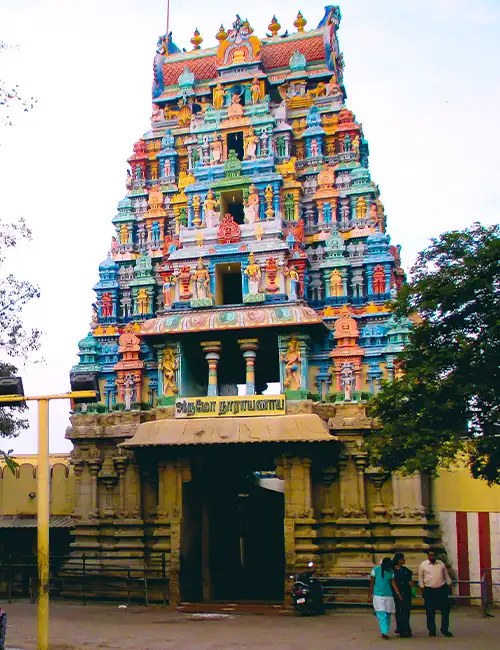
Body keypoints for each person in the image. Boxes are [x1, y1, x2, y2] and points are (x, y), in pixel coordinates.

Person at [418, 549, 453, 637]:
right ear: (428, 556)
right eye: (430, 556)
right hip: (429, 590)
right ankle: (432, 630)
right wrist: (422, 589)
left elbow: (446, 575)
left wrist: (449, 584)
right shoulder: (423, 565)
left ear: (436, 556)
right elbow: (420, 578)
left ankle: (445, 629)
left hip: (441, 589)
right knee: (430, 612)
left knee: (445, 611)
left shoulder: (441, 564)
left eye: (433, 556)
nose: (432, 557)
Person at [369, 557, 402, 640]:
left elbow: (393, 583)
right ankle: (384, 632)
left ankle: (385, 631)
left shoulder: (390, 572)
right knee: (381, 613)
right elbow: (372, 583)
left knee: (388, 614)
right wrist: (370, 594)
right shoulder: (375, 570)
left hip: (388, 595)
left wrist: (398, 594)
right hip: (378, 595)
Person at [392, 552, 413, 638]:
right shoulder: (392, 570)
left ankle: (406, 628)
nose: (404, 560)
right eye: (402, 559)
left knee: (406, 611)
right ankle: (401, 628)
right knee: (398, 612)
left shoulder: (406, 570)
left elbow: (409, 579)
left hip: (406, 592)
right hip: (396, 593)